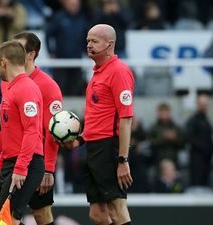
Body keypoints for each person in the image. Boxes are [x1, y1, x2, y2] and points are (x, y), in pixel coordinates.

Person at [78, 24, 134, 225]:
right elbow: (98, 115)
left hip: (109, 147)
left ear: (109, 45)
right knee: (98, 215)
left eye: (94, 41)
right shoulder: (98, 72)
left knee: (117, 209)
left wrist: (122, 159)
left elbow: (126, 119)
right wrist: (80, 139)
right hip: (93, 147)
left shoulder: (119, 71)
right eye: (87, 41)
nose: (89, 45)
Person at [0, 40, 45, 225]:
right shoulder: (12, 89)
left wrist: (20, 168)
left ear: (3, 61)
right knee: (0, 215)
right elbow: (12, 138)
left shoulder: (26, 89)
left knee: (7, 219)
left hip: (26, 163)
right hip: (13, 162)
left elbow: (32, 131)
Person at [13, 31, 63, 225]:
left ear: (31, 54)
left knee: (41, 214)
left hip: (35, 163)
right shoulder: (6, 82)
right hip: (10, 162)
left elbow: (53, 131)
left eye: (19, 49)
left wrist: (48, 169)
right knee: (2, 212)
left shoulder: (48, 86)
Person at [186, 93, 213, 186]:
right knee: (197, 181)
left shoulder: (205, 119)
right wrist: (203, 147)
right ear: (197, 104)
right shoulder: (193, 120)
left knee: (205, 180)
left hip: (206, 157)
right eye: (202, 104)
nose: (204, 106)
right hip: (197, 157)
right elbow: (189, 137)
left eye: (205, 104)